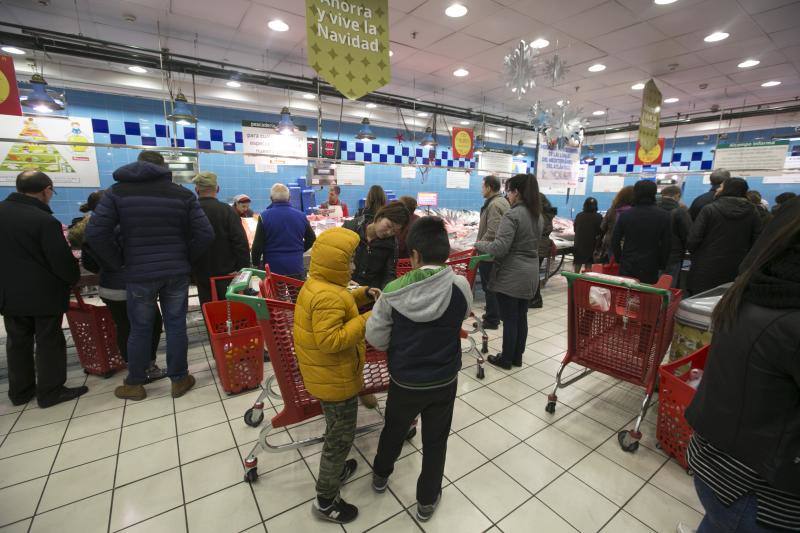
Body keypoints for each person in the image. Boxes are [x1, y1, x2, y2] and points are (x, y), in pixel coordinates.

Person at [682, 197, 800, 533]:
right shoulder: (788, 319)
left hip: (719, 462)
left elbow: (693, 239)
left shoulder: (749, 293)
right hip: (760, 490)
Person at [366, 217, 472, 522]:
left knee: (394, 429)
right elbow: (462, 314)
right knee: (436, 440)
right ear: (446, 251)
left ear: (414, 255)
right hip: (444, 379)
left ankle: (381, 474)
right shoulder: (460, 285)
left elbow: (376, 338)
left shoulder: (393, 290)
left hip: (405, 381)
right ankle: (427, 500)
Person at [86, 150, 214, 401]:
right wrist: (185, 258)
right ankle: (179, 379)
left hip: (138, 273)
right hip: (175, 272)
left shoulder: (117, 192)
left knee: (140, 328)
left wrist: (118, 262)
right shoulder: (182, 194)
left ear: (138, 165)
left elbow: (95, 233)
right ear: (163, 167)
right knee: (176, 325)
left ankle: (135, 383)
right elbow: (205, 234)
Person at [293, 227, 380, 524]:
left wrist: (363, 295)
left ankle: (336, 471)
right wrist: (368, 318)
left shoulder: (319, 285)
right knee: (339, 439)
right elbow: (331, 340)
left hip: (327, 376)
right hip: (336, 381)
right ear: (334, 262)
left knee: (336, 430)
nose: (353, 267)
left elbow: (340, 302)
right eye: (349, 261)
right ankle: (325, 500)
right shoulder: (327, 296)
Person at [0, 171, 87, 408]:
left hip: (8, 293)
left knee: (17, 341)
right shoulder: (44, 220)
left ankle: (20, 392)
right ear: (46, 190)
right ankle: (50, 391)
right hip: (43, 293)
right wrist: (72, 278)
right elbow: (60, 260)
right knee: (49, 341)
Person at [72, 190, 165, 381]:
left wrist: (108, 269)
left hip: (109, 288)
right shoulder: (124, 225)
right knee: (152, 325)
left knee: (124, 328)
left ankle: (134, 369)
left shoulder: (91, 228)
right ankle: (147, 368)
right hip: (134, 287)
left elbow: (89, 264)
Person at [475, 174, 542, 370]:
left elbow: (499, 248)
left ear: (517, 192)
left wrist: (478, 244)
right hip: (531, 273)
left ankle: (505, 359)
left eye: (509, 192)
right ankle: (516, 357)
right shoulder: (537, 215)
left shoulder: (513, 215)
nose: (508, 196)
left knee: (510, 319)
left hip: (512, 274)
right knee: (521, 316)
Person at [687, 177, 761, 295]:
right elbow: (757, 240)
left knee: (701, 298)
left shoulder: (710, 209)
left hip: (706, 263)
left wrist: (694, 253)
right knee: (727, 298)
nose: (718, 189)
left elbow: (694, 238)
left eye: (721, 186)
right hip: (737, 264)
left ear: (727, 189)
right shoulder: (753, 211)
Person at [192, 172, 250, 305]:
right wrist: (243, 269)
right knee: (228, 309)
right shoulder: (227, 211)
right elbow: (240, 242)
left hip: (200, 272)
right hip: (226, 274)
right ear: (217, 189)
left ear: (196, 190)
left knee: (208, 308)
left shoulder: (191, 210)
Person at [611, 180, 671, 284]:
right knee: (646, 291)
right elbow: (667, 243)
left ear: (635, 193)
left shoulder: (626, 215)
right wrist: (662, 263)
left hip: (628, 263)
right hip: (651, 264)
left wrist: (619, 258)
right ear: (654, 193)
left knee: (626, 291)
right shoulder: (664, 215)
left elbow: (615, 240)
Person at [251, 183, 316, 279]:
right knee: (296, 289)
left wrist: (256, 264)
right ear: (289, 198)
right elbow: (312, 239)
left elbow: (257, 246)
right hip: (296, 268)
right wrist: (299, 250)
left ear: (271, 198)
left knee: (275, 290)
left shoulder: (264, 216)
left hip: (273, 270)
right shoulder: (301, 216)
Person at [344, 201, 410, 290]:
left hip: (371, 292)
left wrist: (386, 292)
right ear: (379, 217)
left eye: (394, 231)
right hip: (344, 287)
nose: (389, 232)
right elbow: (335, 260)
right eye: (388, 226)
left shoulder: (392, 244)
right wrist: (344, 281)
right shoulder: (351, 228)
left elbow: (389, 274)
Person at [475, 175, 510, 329]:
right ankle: (494, 313)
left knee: (489, 287)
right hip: (497, 252)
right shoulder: (502, 201)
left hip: (489, 253)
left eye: (483, 186)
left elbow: (493, 231)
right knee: (494, 285)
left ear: (489, 187)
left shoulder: (494, 205)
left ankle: (491, 319)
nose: (481, 189)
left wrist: (479, 244)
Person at [658, 185, 692, 288]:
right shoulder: (680, 212)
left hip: (653, 253)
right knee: (668, 284)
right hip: (673, 254)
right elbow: (688, 234)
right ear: (677, 195)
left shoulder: (654, 209)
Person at [530, 192, 555, 308]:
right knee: (534, 273)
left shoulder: (541, 215)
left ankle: (536, 299)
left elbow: (537, 230)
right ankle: (534, 298)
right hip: (542, 245)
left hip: (538, 245)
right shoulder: (547, 213)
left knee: (533, 273)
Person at [598, 185, 635, 263]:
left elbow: (603, 227)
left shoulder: (612, 210)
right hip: (628, 245)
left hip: (611, 243)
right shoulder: (635, 211)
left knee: (613, 265)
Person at [572, 197, 602, 273]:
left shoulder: (579, 215)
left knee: (578, 263)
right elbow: (600, 232)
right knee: (588, 265)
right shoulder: (598, 217)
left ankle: (575, 278)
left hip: (579, 245)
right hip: (591, 245)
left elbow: (575, 229)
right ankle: (586, 278)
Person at [396, 195, 420, 259]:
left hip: (401, 258)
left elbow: (400, 246)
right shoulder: (418, 219)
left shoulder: (400, 220)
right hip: (413, 258)